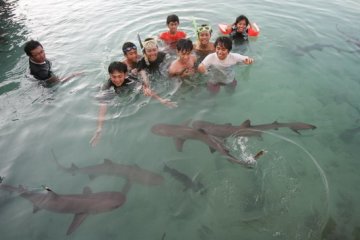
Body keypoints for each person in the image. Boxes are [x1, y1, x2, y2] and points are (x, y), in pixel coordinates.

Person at [90, 61, 138, 147]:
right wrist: (99, 128)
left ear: (125, 74)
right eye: (113, 77)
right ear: (109, 75)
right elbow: (103, 107)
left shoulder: (131, 80)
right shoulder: (107, 87)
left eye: (120, 76)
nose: (117, 80)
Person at [137, 37, 177, 108]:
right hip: (150, 73)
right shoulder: (141, 63)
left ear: (157, 49)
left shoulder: (162, 55)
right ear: (144, 52)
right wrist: (161, 100)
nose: (152, 53)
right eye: (149, 51)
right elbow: (147, 85)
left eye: (154, 50)